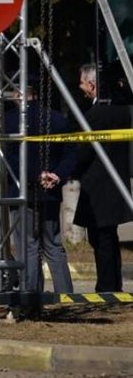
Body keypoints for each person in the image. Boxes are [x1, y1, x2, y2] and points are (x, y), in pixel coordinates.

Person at [3, 78, 76, 295]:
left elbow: (9, 159)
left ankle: (31, 297)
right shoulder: (57, 119)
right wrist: (56, 175)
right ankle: (66, 296)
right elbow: (70, 155)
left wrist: (36, 175)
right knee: (53, 246)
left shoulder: (10, 121)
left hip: (23, 191)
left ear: (19, 95)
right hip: (50, 192)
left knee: (28, 246)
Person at [72, 64, 133, 292]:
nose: (80, 88)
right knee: (108, 238)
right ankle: (113, 284)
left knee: (101, 240)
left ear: (92, 84)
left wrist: (71, 170)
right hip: (116, 182)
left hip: (98, 186)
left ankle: (107, 287)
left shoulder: (95, 115)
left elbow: (84, 151)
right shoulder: (122, 112)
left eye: (82, 83)